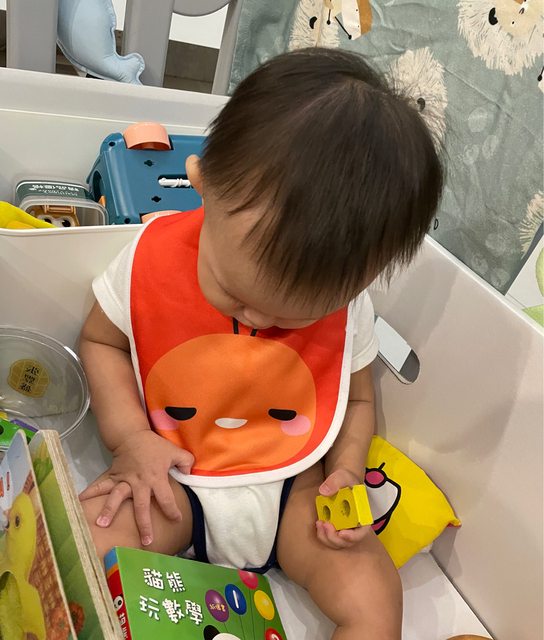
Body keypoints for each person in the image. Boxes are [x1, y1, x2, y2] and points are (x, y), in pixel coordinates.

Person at [78, 47, 443, 639]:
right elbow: (101, 343)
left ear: (364, 277)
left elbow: (354, 399)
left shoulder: (350, 305)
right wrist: (131, 440)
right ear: (203, 184)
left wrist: (346, 471)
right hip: (176, 478)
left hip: (296, 496)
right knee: (83, 535)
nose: (256, 319)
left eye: (292, 314)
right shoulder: (150, 259)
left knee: (377, 598)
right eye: (234, 292)